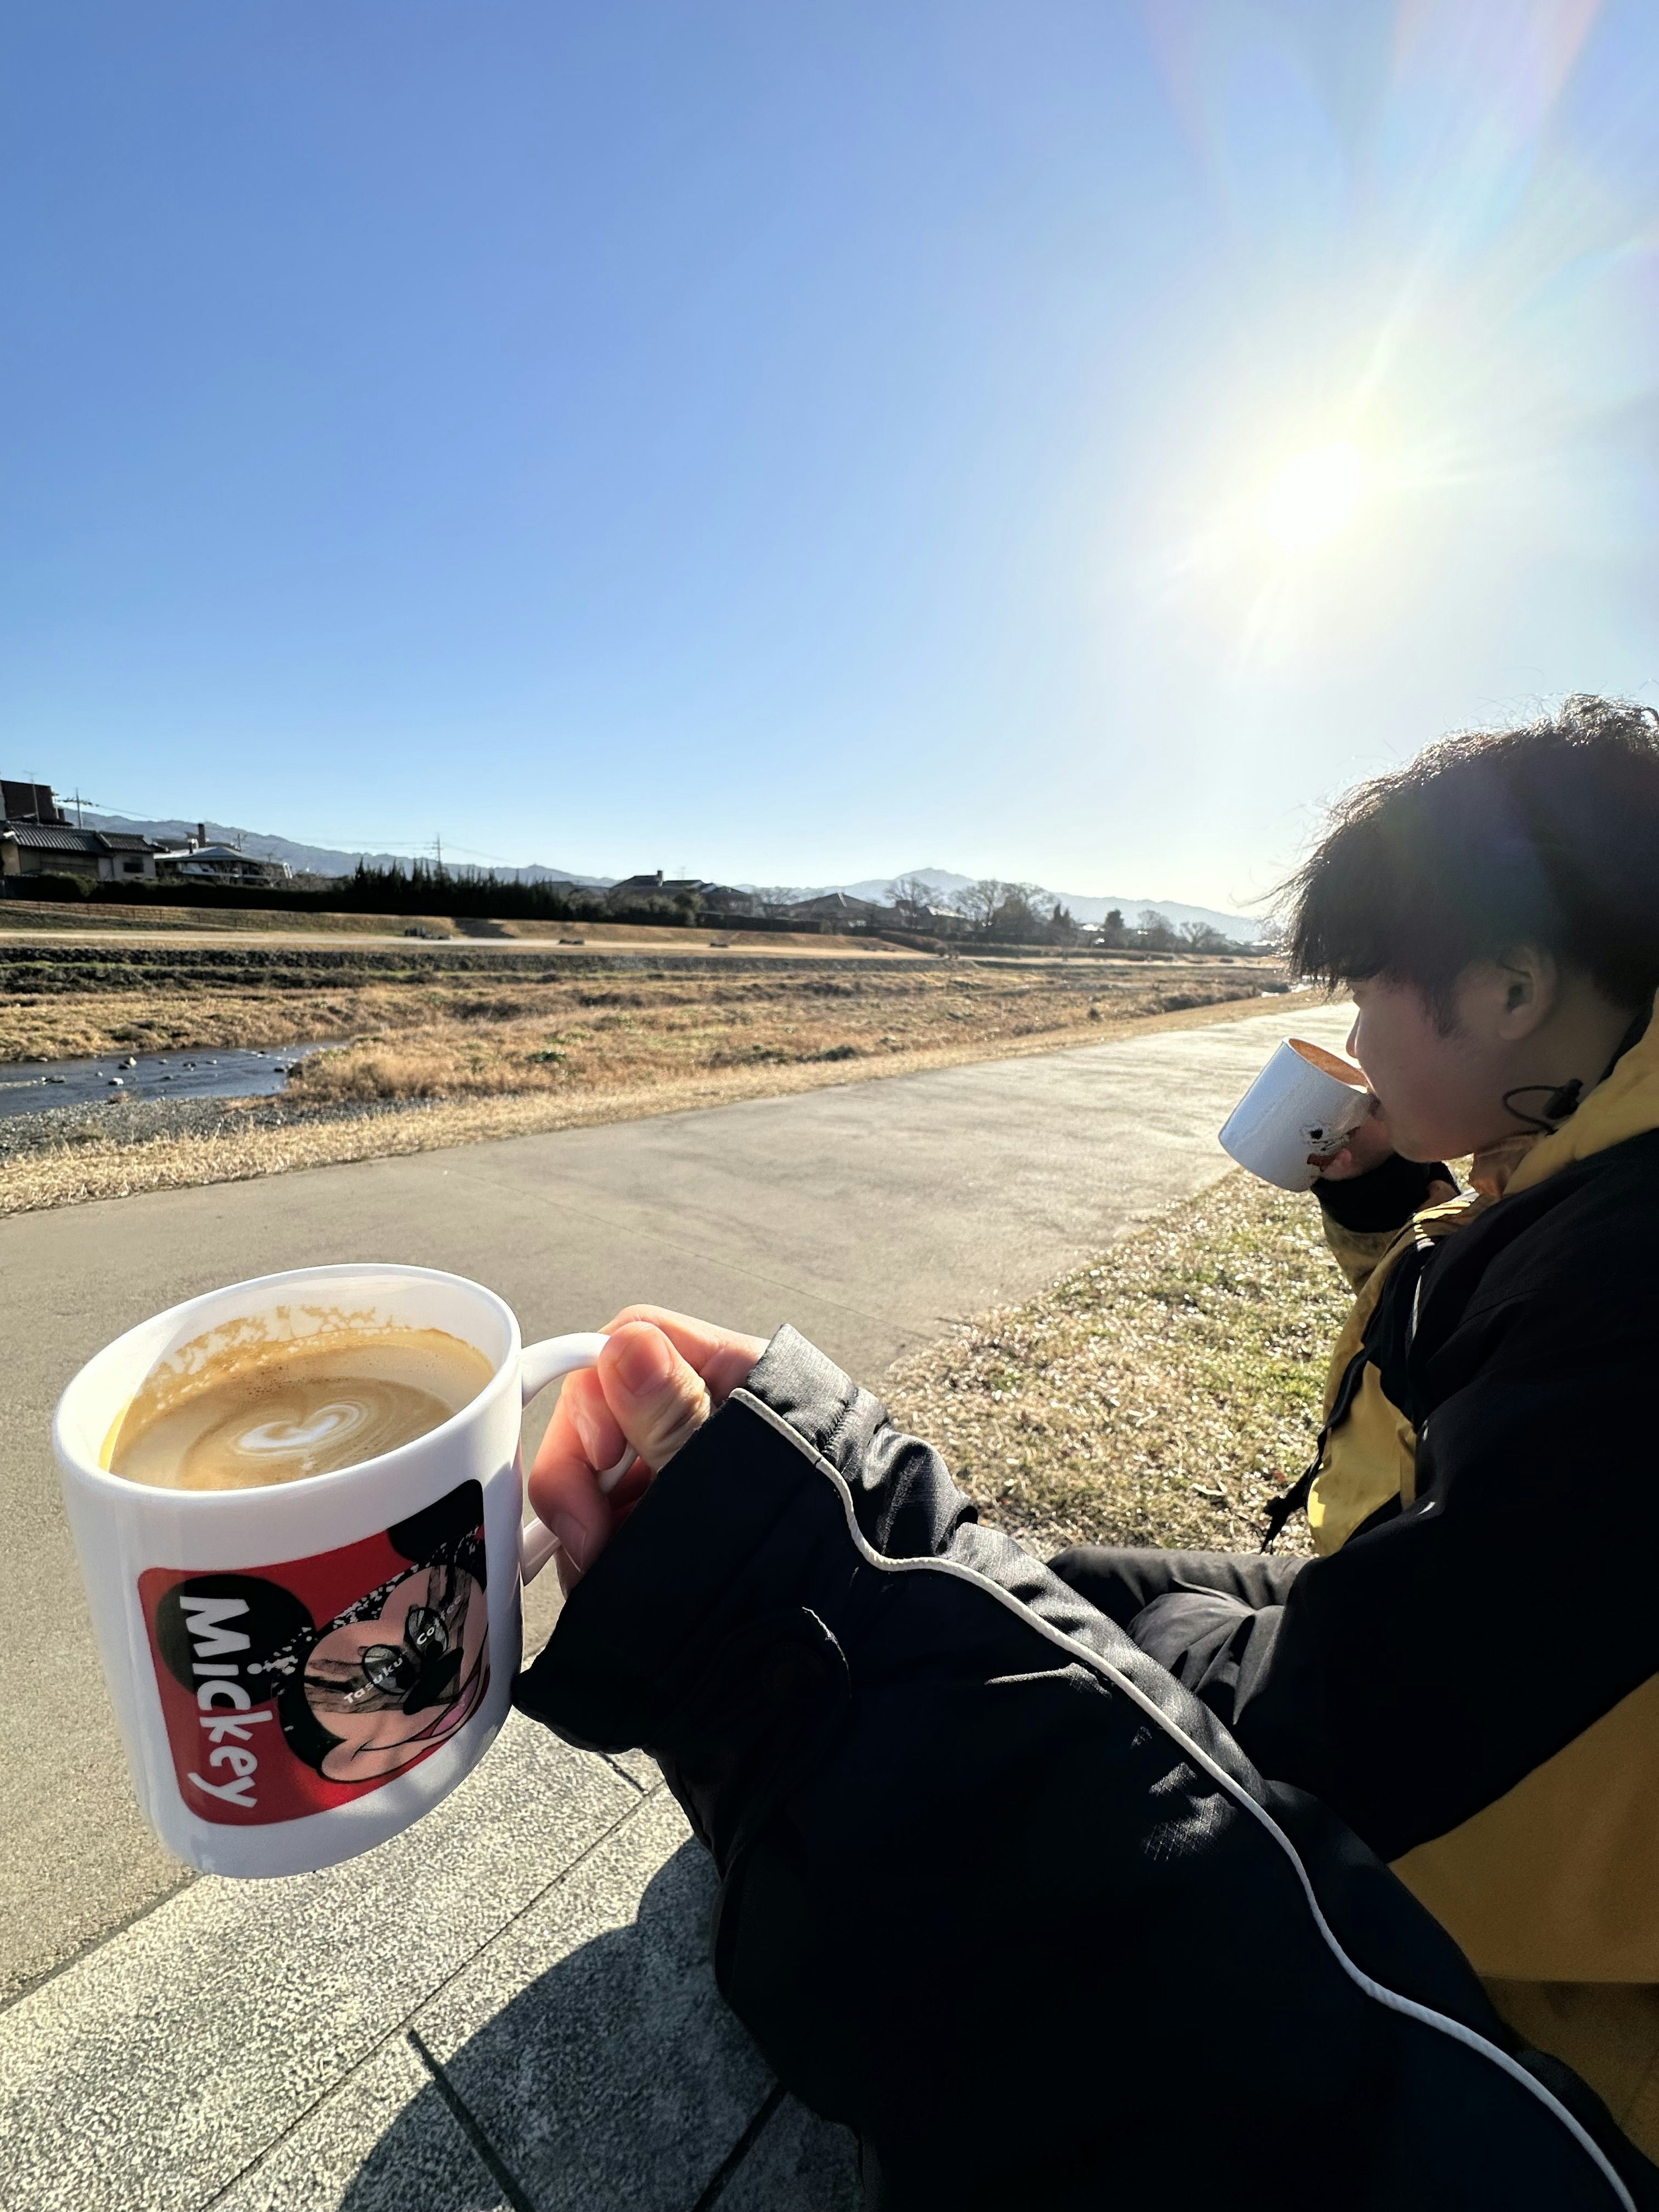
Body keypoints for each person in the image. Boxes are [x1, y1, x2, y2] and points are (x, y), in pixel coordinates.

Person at [514, 697, 1659, 2208]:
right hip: (1419, 1634)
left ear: (1512, 987)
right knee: (1048, 1588)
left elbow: (1364, 1733)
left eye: (1373, 992)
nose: (1352, 1036)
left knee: (991, 1690)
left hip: (1561, 2034)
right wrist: (1396, 1208)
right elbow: (1472, 1421)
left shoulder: (1630, 1289)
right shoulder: (1582, 1160)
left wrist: (830, 1534)